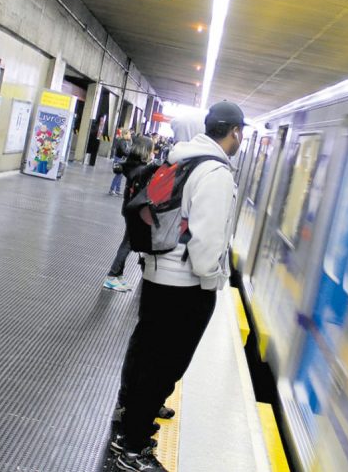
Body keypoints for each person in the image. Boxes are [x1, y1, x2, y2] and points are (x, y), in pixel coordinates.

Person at [111, 101, 245, 472]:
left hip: (156, 274)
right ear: (235, 132)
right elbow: (206, 246)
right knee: (164, 366)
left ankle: (129, 432)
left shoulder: (180, 158)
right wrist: (211, 280)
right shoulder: (215, 173)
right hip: (184, 287)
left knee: (147, 359)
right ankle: (134, 450)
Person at [104, 134, 155, 292]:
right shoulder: (141, 169)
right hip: (135, 211)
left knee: (128, 242)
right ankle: (112, 276)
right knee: (128, 244)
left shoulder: (133, 165)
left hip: (129, 208)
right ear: (145, 150)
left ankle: (118, 275)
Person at [109, 129, 131, 195]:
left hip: (122, 159)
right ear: (125, 134)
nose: (130, 135)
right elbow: (123, 151)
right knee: (118, 175)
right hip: (119, 159)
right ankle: (112, 189)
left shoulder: (126, 141)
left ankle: (117, 190)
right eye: (129, 134)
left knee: (120, 175)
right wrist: (129, 154)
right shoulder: (121, 141)